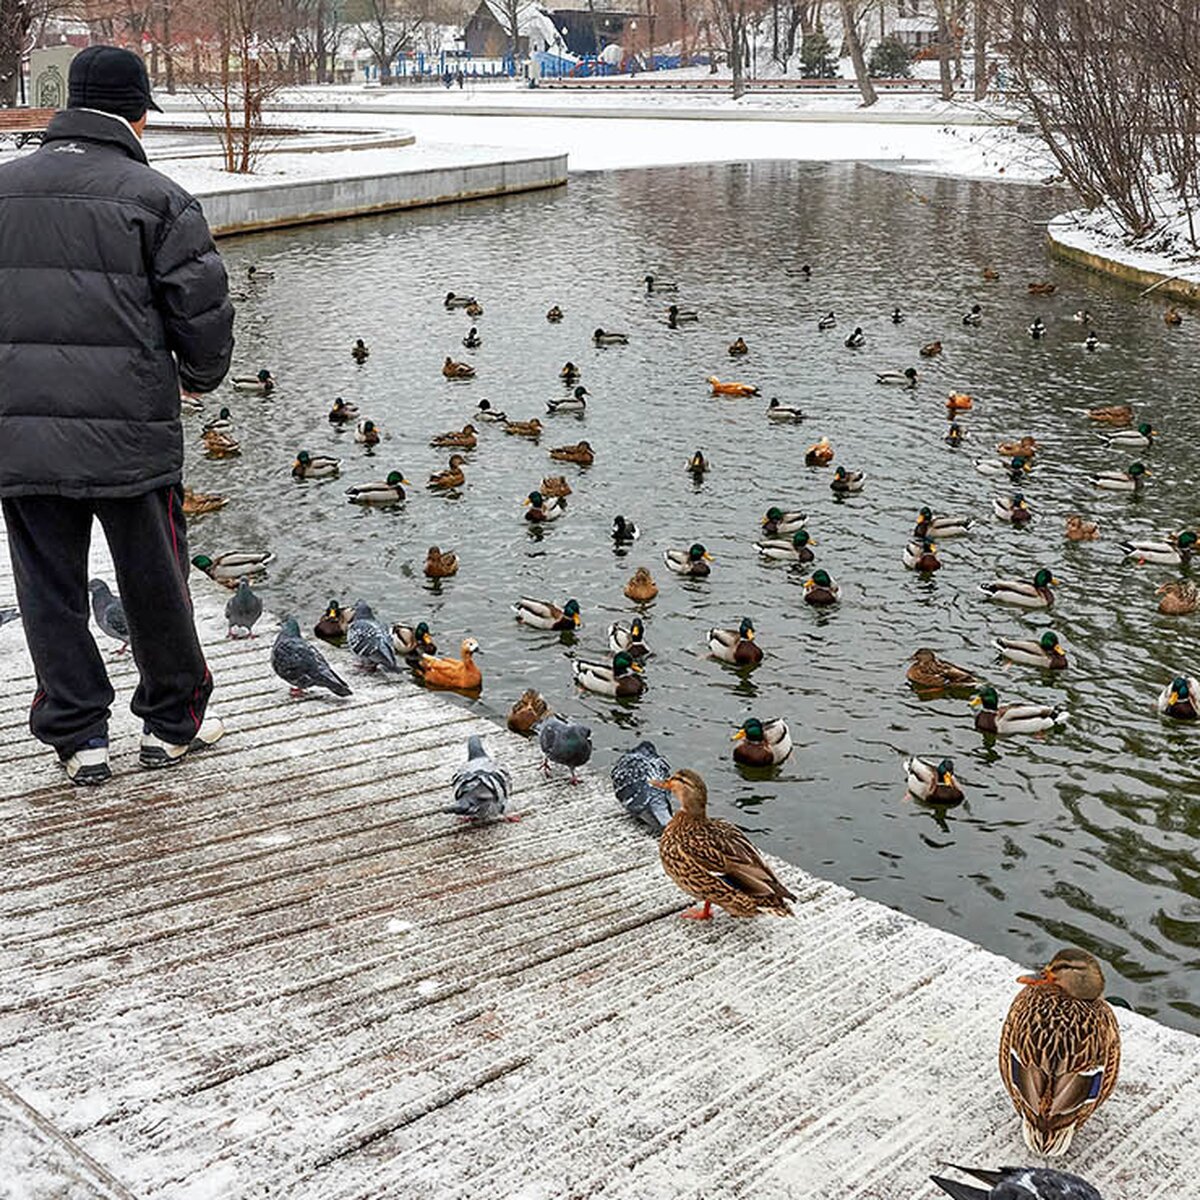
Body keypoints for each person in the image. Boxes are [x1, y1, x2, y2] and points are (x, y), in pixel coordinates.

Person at [0, 45, 235, 786]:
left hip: (21, 432)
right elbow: (202, 311)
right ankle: (172, 724)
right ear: (137, 114)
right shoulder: (158, 197)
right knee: (155, 579)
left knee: (50, 586)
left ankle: (79, 738)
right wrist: (198, 376)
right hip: (130, 433)